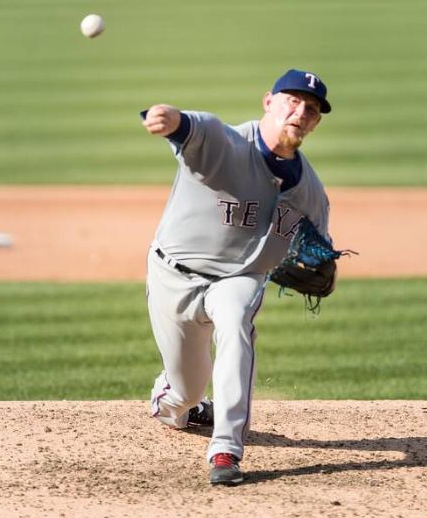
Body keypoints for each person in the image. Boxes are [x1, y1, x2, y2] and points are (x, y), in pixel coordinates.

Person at [141, 68, 333, 486]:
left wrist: (320, 267)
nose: (300, 112)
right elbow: (185, 125)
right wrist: (165, 117)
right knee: (184, 395)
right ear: (269, 101)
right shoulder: (222, 142)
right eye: (292, 101)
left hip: (239, 278)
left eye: (312, 109)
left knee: (235, 320)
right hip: (173, 276)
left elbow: (318, 247)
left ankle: (226, 448)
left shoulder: (311, 193)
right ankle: (177, 402)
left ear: (316, 121)